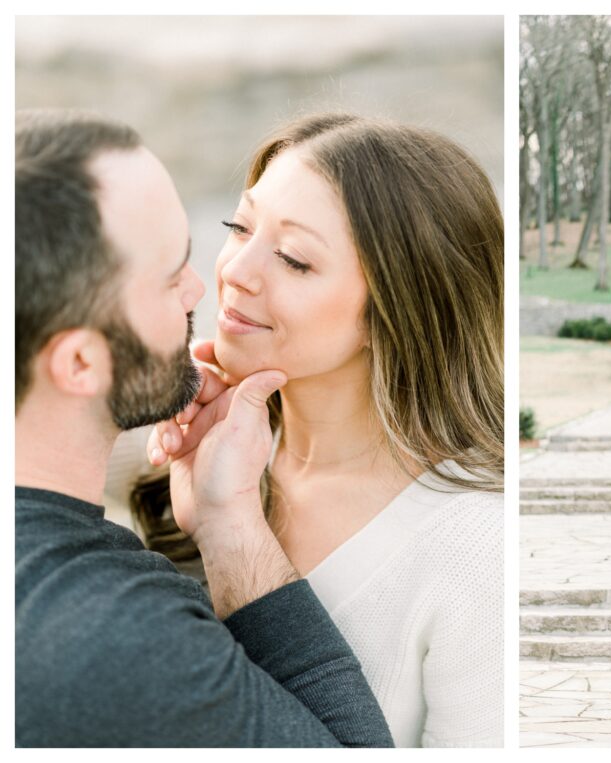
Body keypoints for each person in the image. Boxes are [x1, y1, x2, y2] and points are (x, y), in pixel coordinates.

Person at [14, 109, 393, 747]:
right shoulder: (117, 640)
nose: (205, 287)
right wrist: (231, 524)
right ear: (80, 361)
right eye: (168, 280)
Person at [140, 113, 504, 747]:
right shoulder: (210, 451)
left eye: (293, 259)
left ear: (398, 308)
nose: (236, 271)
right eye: (240, 227)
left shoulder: (478, 548)